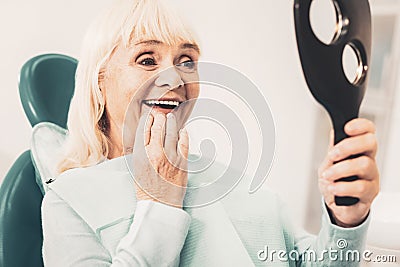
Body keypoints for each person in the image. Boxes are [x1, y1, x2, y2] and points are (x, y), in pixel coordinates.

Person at [41, 0, 380, 266]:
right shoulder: (69, 200)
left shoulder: (236, 184)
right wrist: (159, 206)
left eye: (187, 61)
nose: (174, 78)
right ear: (99, 81)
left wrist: (345, 221)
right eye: (146, 59)